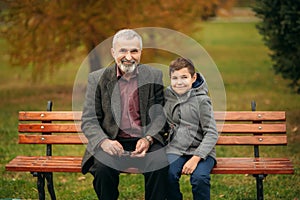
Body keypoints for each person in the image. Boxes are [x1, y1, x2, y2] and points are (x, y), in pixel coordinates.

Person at [81, 29, 169, 200]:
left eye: (134, 51)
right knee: (102, 169)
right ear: (113, 52)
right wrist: (104, 142)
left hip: (145, 142)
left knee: (160, 163)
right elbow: (89, 119)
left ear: (140, 53)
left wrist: (149, 138)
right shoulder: (97, 79)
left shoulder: (154, 75)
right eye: (123, 50)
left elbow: (160, 116)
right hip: (112, 142)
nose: (129, 56)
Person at [164, 57, 219, 200]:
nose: (179, 82)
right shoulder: (168, 97)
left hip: (201, 152)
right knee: (166, 174)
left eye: (184, 77)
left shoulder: (202, 101)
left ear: (193, 77)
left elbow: (212, 133)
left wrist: (195, 159)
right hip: (176, 149)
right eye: (174, 78)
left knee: (199, 178)